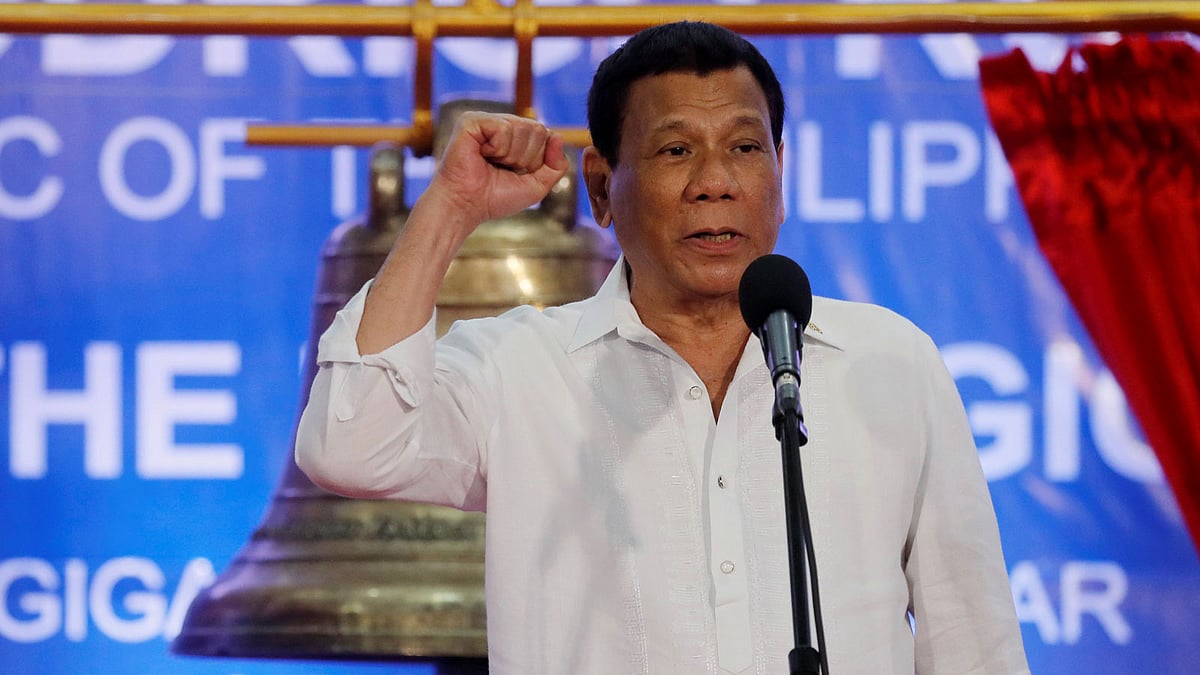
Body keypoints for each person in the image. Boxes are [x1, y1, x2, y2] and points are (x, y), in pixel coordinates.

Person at [296, 21, 1029, 674]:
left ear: (780, 168)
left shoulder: (889, 361)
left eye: (745, 148)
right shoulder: (520, 369)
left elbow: (973, 638)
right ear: (602, 188)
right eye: (676, 149)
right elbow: (350, 444)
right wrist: (450, 205)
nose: (715, 182)